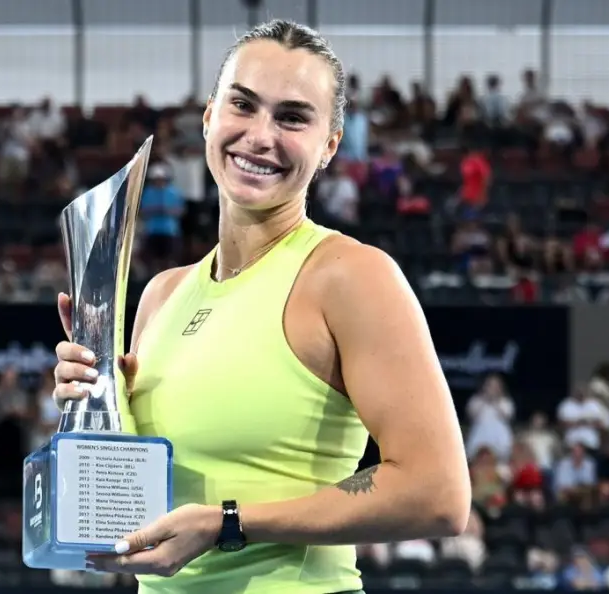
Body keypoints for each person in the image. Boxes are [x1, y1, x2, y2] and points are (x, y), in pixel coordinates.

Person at [51, 19, 471, 593]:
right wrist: (91, 401)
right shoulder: (161, 295)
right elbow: (138, 512)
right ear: (208, 117)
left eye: (292, 117)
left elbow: (438, 494)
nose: (259, 136)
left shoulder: (350, 276)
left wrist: (229, 523)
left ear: (329, 146)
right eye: (243, 105)